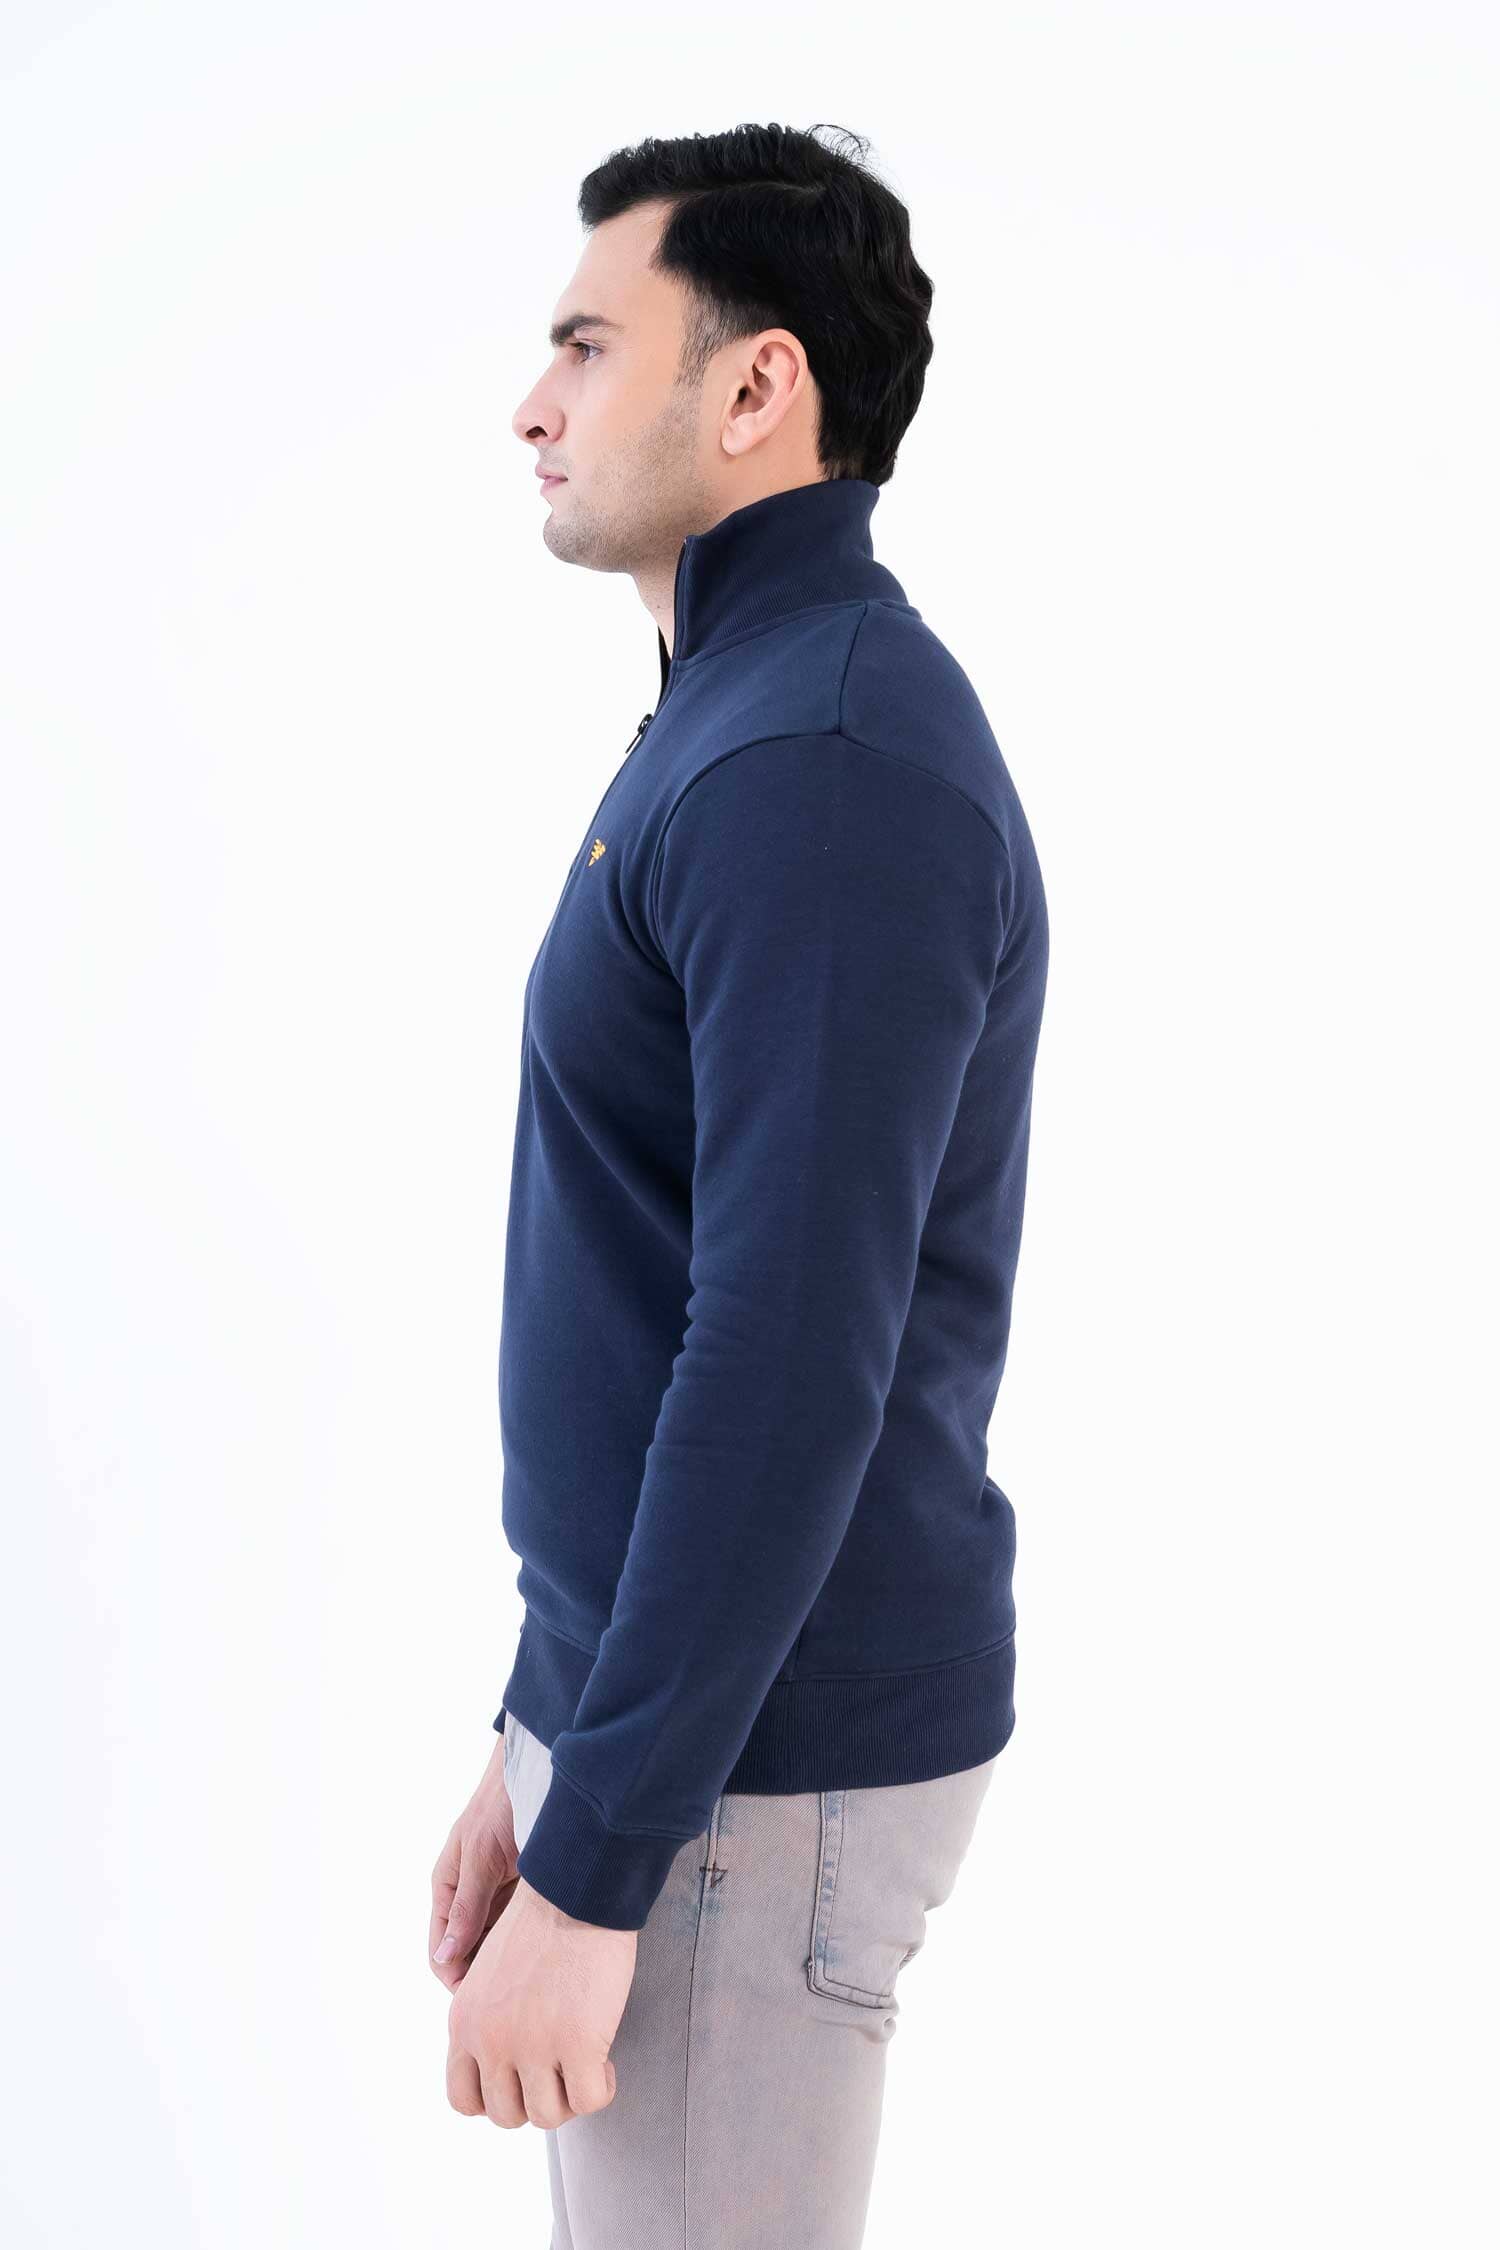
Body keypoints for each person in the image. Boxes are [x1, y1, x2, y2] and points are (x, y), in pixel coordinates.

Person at [430, 120, 1050, 2249]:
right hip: (679, 1747)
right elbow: (649, 1266)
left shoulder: (819, 762)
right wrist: (541, 1730)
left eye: (590, 345)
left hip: (744, 1785)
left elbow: (786, 1360)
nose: (535, 403)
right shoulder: (744, 714)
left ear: (759, 384)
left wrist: (605, 1842)